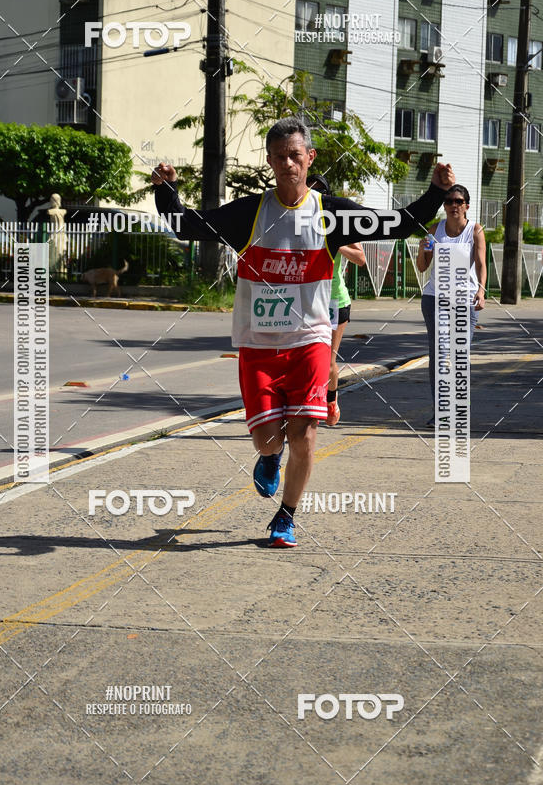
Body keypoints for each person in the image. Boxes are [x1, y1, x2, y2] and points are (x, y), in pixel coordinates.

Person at [152, 116, 455, 547]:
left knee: (305, 434)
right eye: (279, 157)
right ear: (271, 162)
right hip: (258, 346)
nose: (288, 165)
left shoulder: (331, 214)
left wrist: (437, 192)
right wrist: (166, 190)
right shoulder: (248, 214)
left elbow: (400, 225)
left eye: (296, 155)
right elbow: (187, 226)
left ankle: (285, 517)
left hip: (310, 340)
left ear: (309, 158)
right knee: (266, 439)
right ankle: (269, 458)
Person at [416, 184, 486, 426]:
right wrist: (423, 250)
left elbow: (480, 264)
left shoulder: (475, 231)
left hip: (465, 301)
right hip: (435, 298)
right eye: (448, 201)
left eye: (458, 201)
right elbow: (423, 267)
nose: (453, 206)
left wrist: (481, 290)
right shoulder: (435, 230)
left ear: (466, 205)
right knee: (440, 355)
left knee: (459, 356)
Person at [307, 174, 366, 426]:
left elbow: (361, 258)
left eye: (321, 191)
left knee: (326, 359)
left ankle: (330, 400)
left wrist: (336, 243)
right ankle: (308, 405)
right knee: (305, 358)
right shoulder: (293, 219)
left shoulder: (338, 223)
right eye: (311, 190)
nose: (316, 194)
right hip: (304, 300)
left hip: (334, 300)